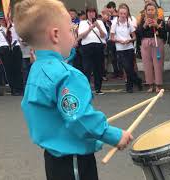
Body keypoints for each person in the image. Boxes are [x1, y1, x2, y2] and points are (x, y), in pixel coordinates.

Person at [14, 0, 133, 180]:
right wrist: (114, 136)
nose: (74, 34)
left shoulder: (37, 70)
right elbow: (80, 118)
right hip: (73, 160)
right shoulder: (67, 76)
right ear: (55, 35)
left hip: (53, 158)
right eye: (71, 30)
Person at [110, 3, 143, 93]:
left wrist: (129, 40)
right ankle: (137, 81)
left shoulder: (129, 23)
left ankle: (129, 86)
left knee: (130, 68)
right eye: (121, 13)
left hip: (129, 48)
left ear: (127, 14)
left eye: (125, 14)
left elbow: (134, 37)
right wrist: (119, 41)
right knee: (127, 68)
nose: (123, 15)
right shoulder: (114, 23)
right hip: (120, 49)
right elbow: (111, 37)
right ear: (118, 13)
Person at [0, 11, 23, 96]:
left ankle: (20, 89)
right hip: (4, 50)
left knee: (18, 69)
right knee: (9, 70)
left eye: (4, 18)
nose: (3, 20)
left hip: (15, 48)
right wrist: (1, 47)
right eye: (0, 19)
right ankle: (14, 89)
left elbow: (21, 38)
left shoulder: (15, 27)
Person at [137, 2, 166, 93]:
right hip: (145, 44)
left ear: (156, 10)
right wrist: (145, 25)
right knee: (147, 64)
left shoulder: (160, 21)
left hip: (157, 43)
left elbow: (164, 35)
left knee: (158, 64)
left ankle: (158, 84)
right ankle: (150, 84)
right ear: (145, 11)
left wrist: (157, 26)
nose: (150, 12)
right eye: (148, 10)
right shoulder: (142, 21)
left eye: (152, 9)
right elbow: (139, 35)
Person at [78, 7, 107, 95]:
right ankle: (86, 89)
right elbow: (81, 35)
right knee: (87, 68)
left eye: (93, 12)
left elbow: (104, 36)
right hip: (86, 47)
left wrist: (98, 26)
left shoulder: (100, 22)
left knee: (98, 68)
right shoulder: (83, 23)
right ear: (87, 13)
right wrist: (90, 28)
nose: (91, 14)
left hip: (98, 46)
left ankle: (98, 88)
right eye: (89, 12)